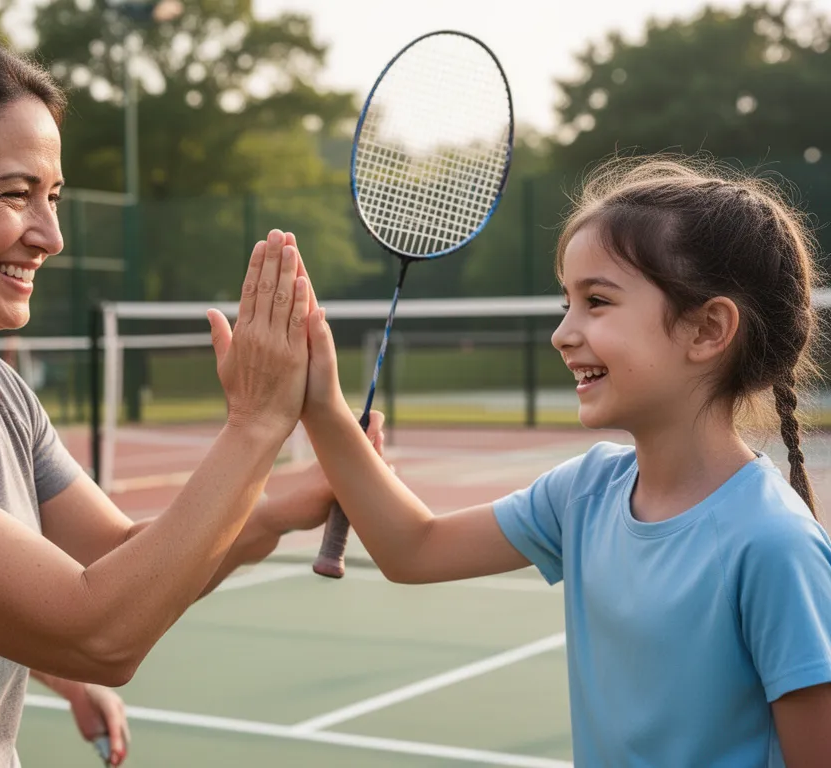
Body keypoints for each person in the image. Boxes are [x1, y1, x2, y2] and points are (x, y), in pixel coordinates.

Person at [0, 37, 383, 767]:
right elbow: (98, 632)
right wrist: (256, 426)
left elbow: (124, 559)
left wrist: (282, 505)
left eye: (52, 197)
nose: (50, 235)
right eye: (16, 194)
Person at [299, 156, 831, 766]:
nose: (563, 333)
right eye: (565, 305)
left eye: (597, 301)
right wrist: (321, 406)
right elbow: (412, 548)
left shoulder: (772, 543)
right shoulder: (585, 492)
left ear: (707, 330)